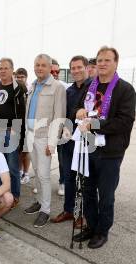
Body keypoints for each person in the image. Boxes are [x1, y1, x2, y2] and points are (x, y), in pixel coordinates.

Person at [73, 46, 136, 249]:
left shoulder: (125, 89)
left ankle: (102, 231)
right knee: (88, 191)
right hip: (88, 147)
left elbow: (124, 122)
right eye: (99, 60)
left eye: (107, 60)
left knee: (106, 195)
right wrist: (80, 110)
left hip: (111, 152)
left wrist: (96, 125)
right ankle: (91, 226)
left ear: (116, 63)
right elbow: (78, 108)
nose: (102, 64)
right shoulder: (90, 87)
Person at [23, 54, 66, 228]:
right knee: (37, 173)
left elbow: (59, 116)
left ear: (50, 68)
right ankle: (39, 201)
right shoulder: (33, 86)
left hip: (45, 138)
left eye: (43, 65)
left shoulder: (57, 87)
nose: (39, 68)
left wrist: (52, 142)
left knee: (44, 175)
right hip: (30, 134)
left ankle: (45, 210)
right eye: (37, 65)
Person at [51, 55, 91, 226]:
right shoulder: (69, 91)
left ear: (86, 68)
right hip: (67, 140)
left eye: (79, 67)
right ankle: (68, 210)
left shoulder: (94, 88)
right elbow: (63, 113)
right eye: (73, 68)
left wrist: (79, 111)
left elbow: (94, 111)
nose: (75, 71)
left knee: (82, 180)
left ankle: (80, 214)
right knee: (68, 177)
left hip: (85, 142)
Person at [0, 58, 26, 208]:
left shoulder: (17, 88)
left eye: (5, 68)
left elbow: (22, 112)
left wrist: (17, 130)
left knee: (12, 166)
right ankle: (0, 194)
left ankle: (15, 195)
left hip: (11, 133)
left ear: (12, 70)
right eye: (0, 68)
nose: (2, 71)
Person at [51, 58, 70, 196]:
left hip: (61, 129)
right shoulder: (36, 86)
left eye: (57, 71)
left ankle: (62, 182)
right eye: (52, 71)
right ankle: (41, 184)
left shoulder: (66, 87)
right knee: (43, 157)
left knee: (62, 158)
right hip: (45, 128)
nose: (55, 74)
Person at [15, 68, 32, 185]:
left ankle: (26, 173)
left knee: (26, 150)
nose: (20, 79)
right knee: (19, 150)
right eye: (18, 77)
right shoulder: (14, 89)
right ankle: (20, 171)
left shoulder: (30, 89)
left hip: (28, 124)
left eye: (22, 77)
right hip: (17, 124)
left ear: (26, 77)